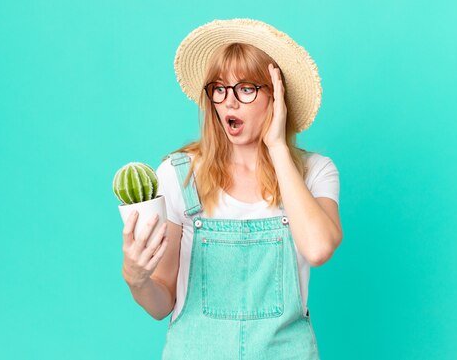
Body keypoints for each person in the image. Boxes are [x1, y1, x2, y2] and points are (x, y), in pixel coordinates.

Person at [121, 18, 343, 359]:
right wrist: (137, 279)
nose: (229, 102)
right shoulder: (179, 175)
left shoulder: (314, 172)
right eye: (220, 89)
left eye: (246, 88)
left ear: (276, 96)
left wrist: (278, 149)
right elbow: (161, 302)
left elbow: (318, 249)